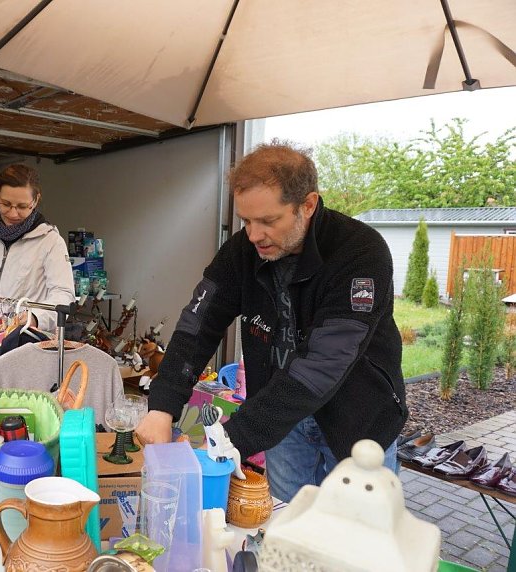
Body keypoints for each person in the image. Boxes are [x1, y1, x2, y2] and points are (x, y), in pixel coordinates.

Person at [136, 142, 408, 502]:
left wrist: (236, 436)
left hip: (357, 423)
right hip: (284, 425)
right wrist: (163, 404)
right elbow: (197, 325)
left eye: (268, 221)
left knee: (353, 544)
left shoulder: (359, 253)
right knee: (284, 528)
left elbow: (322, 364)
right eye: (246, 220)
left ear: (307, 205)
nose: (253, 235)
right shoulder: (242, 252)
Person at [0, 163, 75, 331]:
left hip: (27, 341)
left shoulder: (51, 242)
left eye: (22, 206)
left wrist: (35, 317)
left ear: (35, 200)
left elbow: (64, 295)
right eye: (6, 204)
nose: (13, 214)